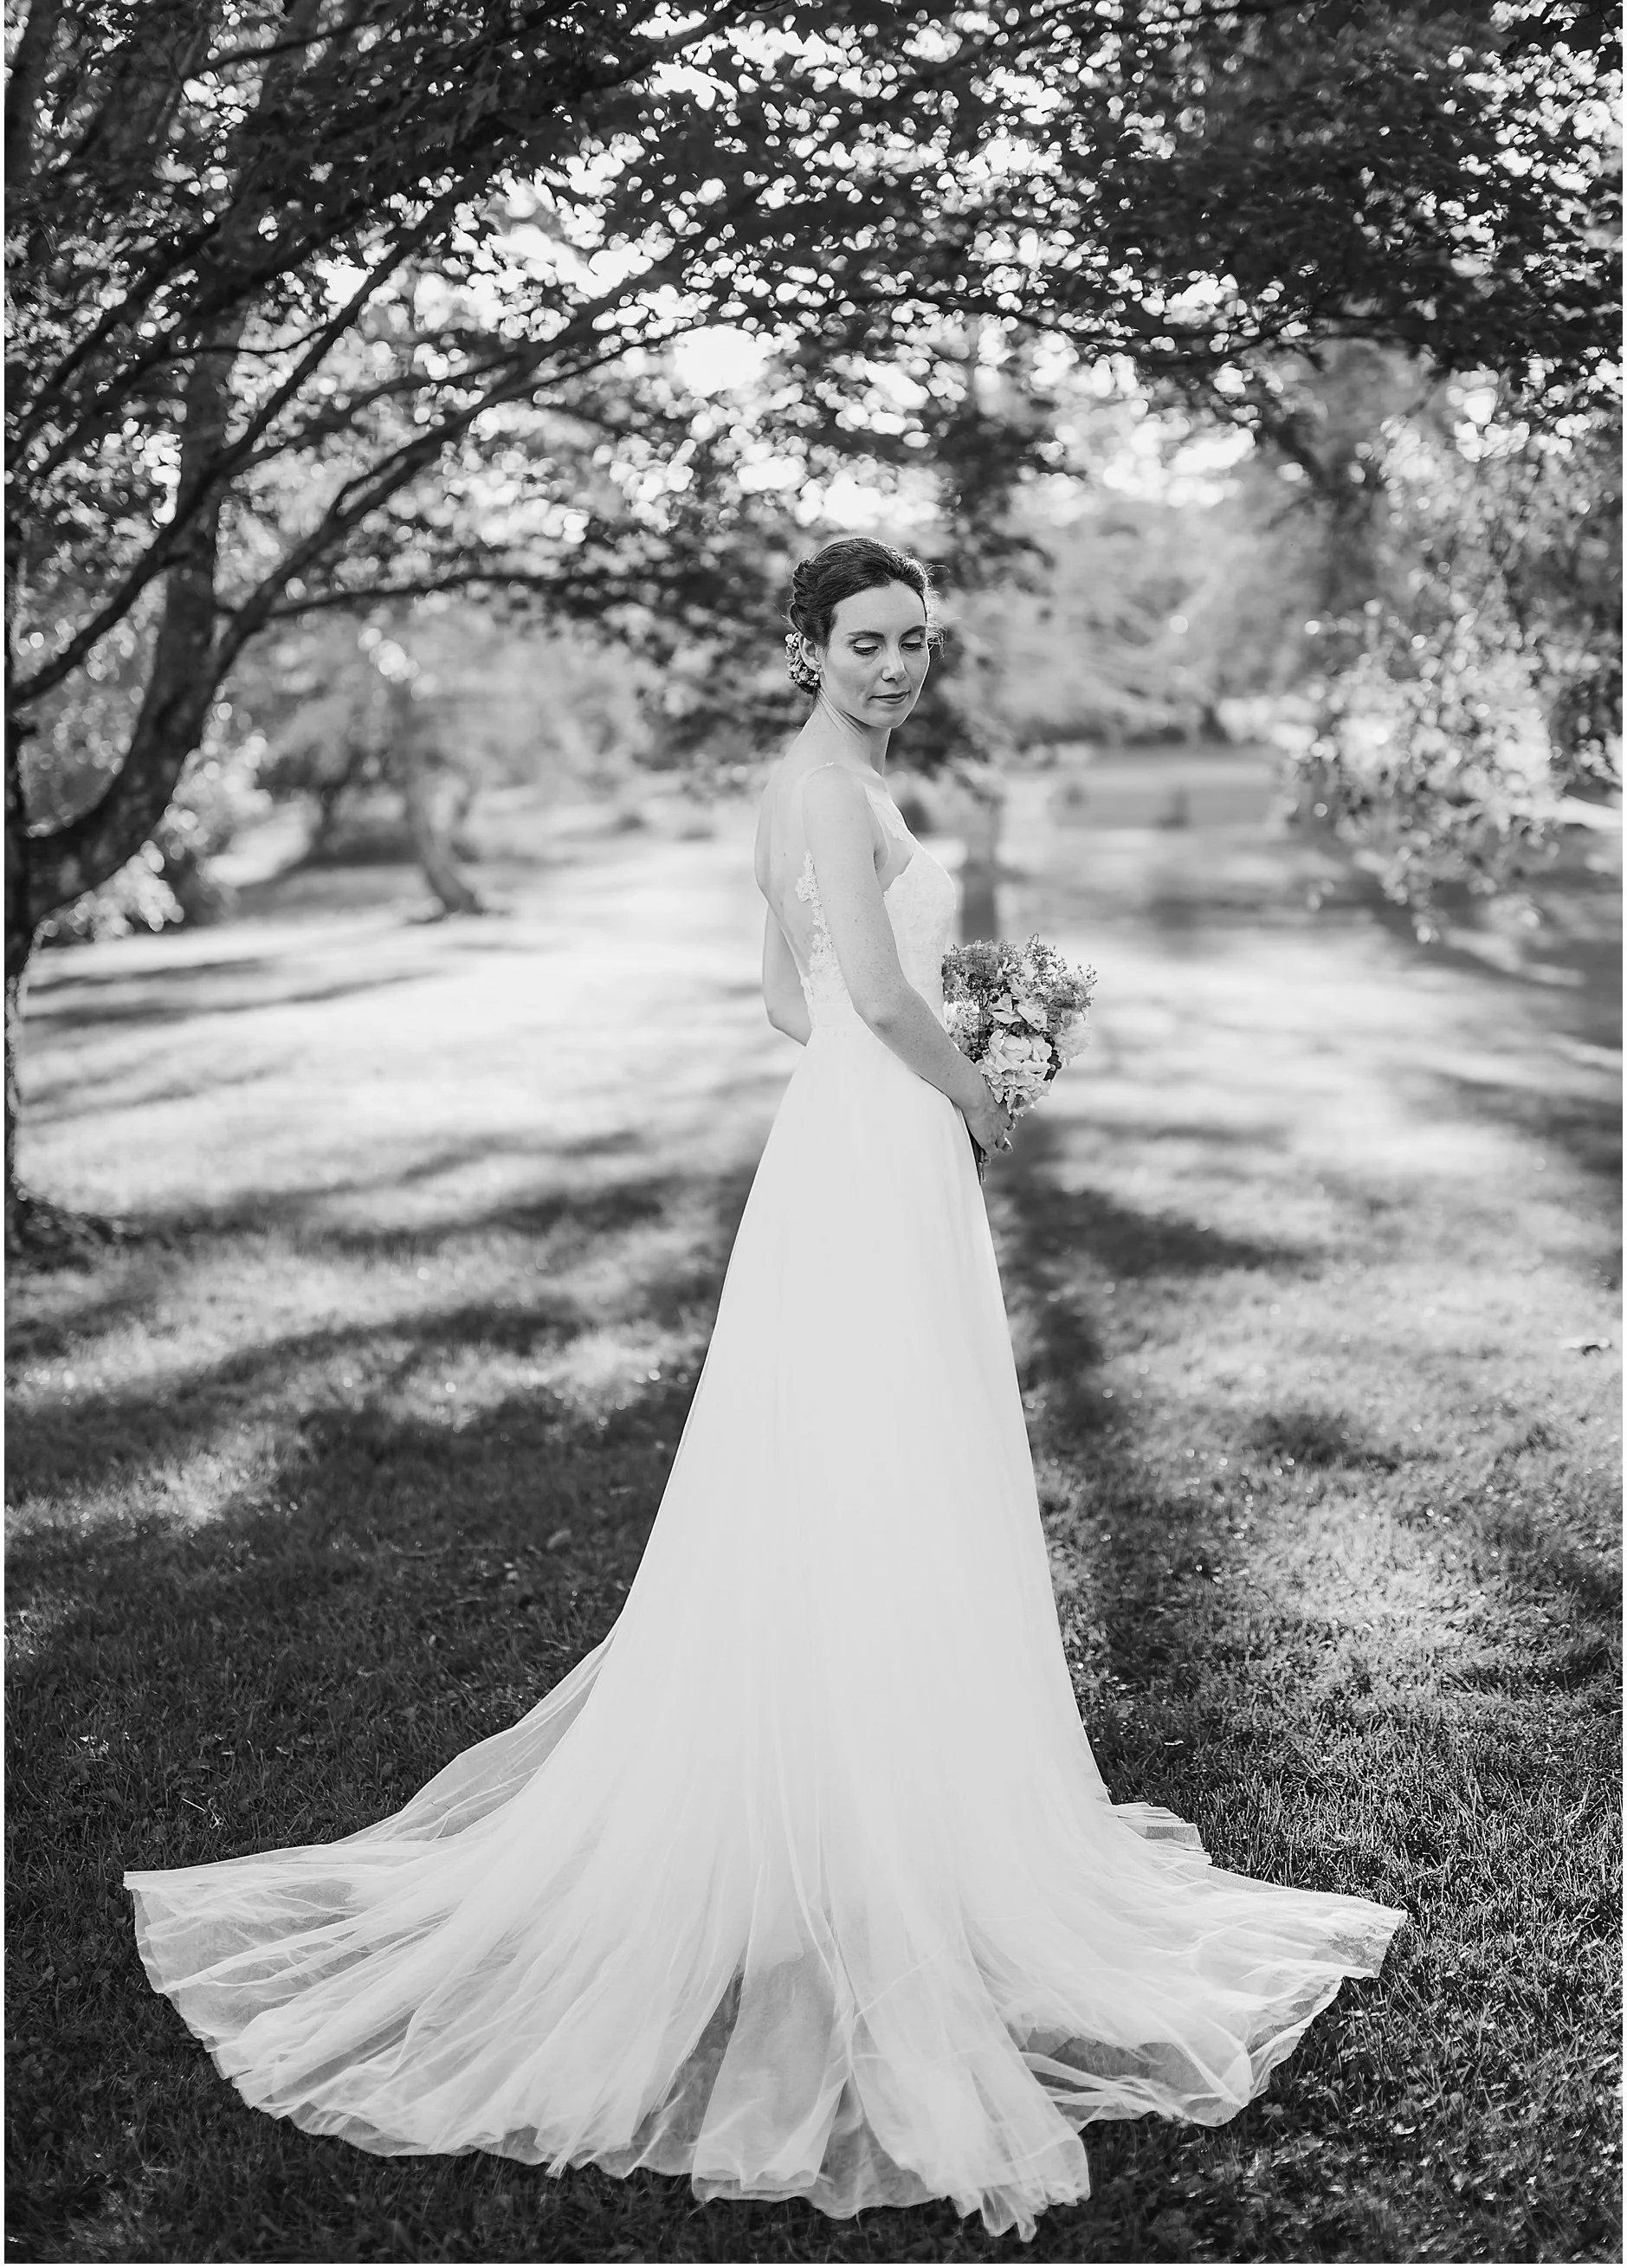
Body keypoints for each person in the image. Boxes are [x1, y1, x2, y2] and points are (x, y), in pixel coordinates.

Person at [126, 535, 1404, 2241]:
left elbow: (783, 999)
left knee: (864, 1477)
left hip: (851, 1148)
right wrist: (979, 1087)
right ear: (804, 643)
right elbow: (863, 993)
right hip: (880, 1153)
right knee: (876, 1478)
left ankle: (886, 1820)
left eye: (915, 640)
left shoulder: (808, 785)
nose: (896, 663)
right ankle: (862, 1853)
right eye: (868, 639)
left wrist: (935, 1067)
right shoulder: (821, 783)